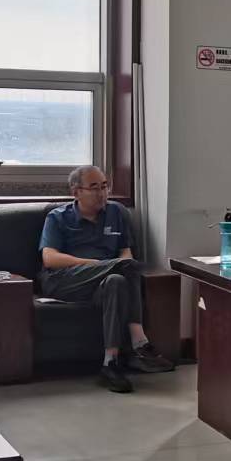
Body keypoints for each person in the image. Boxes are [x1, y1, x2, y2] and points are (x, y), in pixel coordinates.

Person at [39, 165, 174, 393]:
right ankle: (139, 341)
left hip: (104, 280)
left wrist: (112, 267)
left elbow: (125, 253)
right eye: (94, 188)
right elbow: (49, 258)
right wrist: (96, 265)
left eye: (104, 186)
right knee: (124, 267)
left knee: (117, 281)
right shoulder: (58, 217)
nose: (102, 193)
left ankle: (110, 363)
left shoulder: (116, 212)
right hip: (66, 280)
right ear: (76, 192)